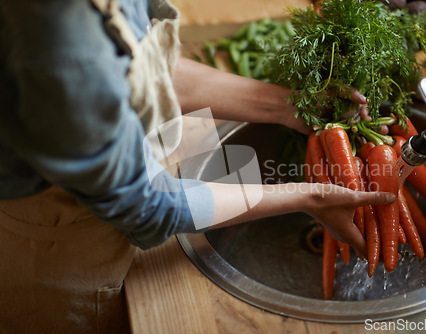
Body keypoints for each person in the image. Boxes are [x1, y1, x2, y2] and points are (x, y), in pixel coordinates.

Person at [0, 0, 395, 333]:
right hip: (57, 244)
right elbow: (148, 208)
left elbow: (146, 71)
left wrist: (290, 104)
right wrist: (308, 194)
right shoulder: (60, 49)